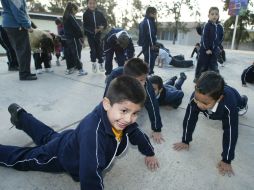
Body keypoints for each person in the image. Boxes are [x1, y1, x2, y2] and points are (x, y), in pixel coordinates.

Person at [0, 76, 159, 190]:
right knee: (25, 158)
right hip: (60, 155)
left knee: (48, 137)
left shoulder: (121, 120)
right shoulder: (94, 136)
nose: (129, 119)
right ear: (106, 104)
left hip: (70, 139)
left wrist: (149, 152)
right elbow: (90, 174)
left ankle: (21, 117)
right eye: (124, 110)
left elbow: (137, 133)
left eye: (135, 113)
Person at [173, 71, 248, 176]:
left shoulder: (228, 105)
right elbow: (189, 119)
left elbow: (231, 131)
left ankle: (244, 99)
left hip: (233, 96)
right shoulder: (196, 98)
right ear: (195, 89)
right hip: (217, 95)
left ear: (219, 99)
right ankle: (210, 109)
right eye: (197, 99)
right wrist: (185, 140)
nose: (198, 104)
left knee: (241, 106)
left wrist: (227, 160)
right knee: (200, 107)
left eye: (205, 103)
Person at [104, 58, 164, 144]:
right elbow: (107, 100)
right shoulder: (115, 76)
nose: (144, 83)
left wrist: (157, 129)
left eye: (145, 79)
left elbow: (152, 104)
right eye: (141, 80)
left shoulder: (146, 83)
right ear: (129, 78)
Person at [1, 0, 37, 80]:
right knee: (24, 50)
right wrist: (27, 26)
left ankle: (25, 72)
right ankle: (24, 74)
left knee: (20, 50)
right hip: (16, 25)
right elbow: (18, 12)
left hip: (10, 24)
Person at [194, 7, 224, 82]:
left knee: (214, 65)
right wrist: (207, 48)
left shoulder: (220, 27)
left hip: (214, 49)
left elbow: (221, 37)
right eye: (212, 14)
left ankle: (217, 81)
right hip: (205, 49)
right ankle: (198, 78)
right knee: (202, 65)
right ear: (209, 15)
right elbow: (204, 37)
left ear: (218, 16)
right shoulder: (207, 25)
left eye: (216, 14)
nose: (214, 16)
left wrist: (218, 46)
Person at [63, 2, 87, 76]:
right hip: (73, 38)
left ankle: (70, 68)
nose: (76, 12)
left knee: (69, 53)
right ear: (73, 9)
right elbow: (77, 27)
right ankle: (80, 70)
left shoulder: (65, 16)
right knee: (76, 53)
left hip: (68, 38)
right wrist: (81, 37)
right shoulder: (71, 16)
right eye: (76, 10)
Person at [83, 0, 107, 73]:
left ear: (96, 4)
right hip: (90, 35)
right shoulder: (85, 14)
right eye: (90, 3)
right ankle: (93, 63)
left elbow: (105, 23)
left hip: (98, 35)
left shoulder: (99, 13)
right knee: (93, 50)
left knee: (99, 49)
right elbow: (85, 26)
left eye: (93, 3)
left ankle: (101, 63)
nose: (92, 5)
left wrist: (102, 27)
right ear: (87, 4)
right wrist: (93, 31)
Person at [138, 7, 158, 75]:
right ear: (150, 14)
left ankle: (148, 73)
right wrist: (152, 44)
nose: (156, 15)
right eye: (155, 13)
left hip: (146, 45)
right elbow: (150, 33)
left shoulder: (145, 21)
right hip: (149, 45)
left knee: (147, 60)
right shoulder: (148, 21)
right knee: (149, 60)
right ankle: (149, 74)